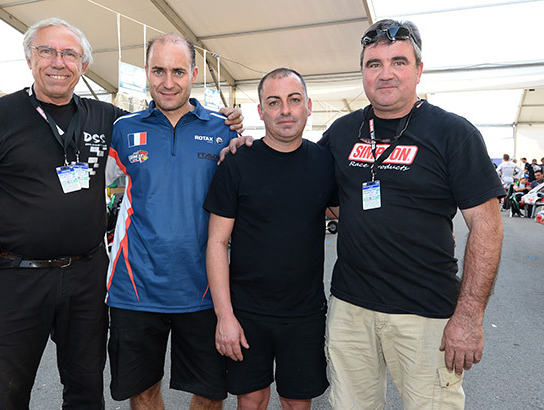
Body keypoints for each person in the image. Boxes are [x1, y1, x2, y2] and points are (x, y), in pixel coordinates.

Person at [0, 18, 241, 409]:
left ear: (83, 65)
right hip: (18, 278)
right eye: (47, 51)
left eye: (69, 54)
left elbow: (186, 130)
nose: (58, 62)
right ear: (30, 58)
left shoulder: (108, 118)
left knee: (85, 392)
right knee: (7, 393)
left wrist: (236, 129)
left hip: (87, 278)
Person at [317, 20, 505, 409]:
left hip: (426, 315)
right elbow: (307, 184)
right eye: (373, 64)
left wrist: (468, 316)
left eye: (398, 62)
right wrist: (245, 143)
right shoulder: (341, 131)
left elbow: (487, 225)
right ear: (363, 72)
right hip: (351, 309)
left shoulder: (453, 133)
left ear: (418, 70)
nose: (385, 74)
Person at [105, 33, 238, 410]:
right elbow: (99, 187)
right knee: (143, 392)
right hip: (135, 287)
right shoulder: (123, 130)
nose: (168, 82)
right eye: (158, 71)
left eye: (178, 71)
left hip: (204, 289)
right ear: (146, 73)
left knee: (211, 395)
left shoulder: (224, 129)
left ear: (194, 73)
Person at [204, 68, 335, 410]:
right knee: (251, 398)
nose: (285, 111)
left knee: (296, 401)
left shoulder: (324, 163)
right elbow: (217, 243)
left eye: (293, 100)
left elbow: (352, 216)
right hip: (247, 312)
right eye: (273, 102)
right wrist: (225, 316)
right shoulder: (236, 162)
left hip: (304, 313)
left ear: (308, 106)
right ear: (261, 112)